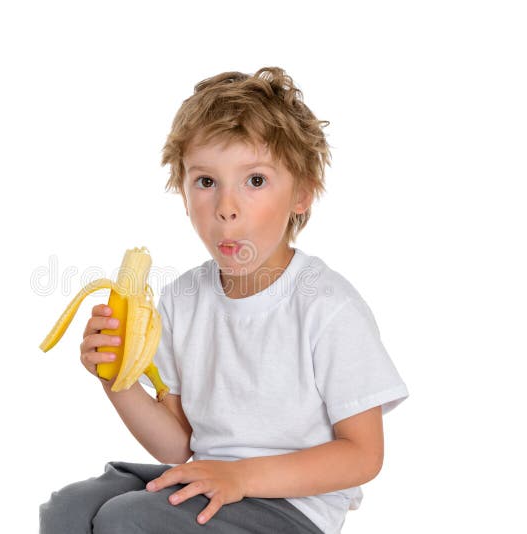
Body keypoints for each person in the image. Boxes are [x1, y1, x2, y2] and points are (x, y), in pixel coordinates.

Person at [39, 66, 409, 534]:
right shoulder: (183, 299)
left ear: (303, 195)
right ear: (184, 192)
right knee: (67, 509)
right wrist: (117, 380)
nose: (226, 207)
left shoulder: (327, 305)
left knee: (128, 520)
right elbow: (176, 445)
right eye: (206, 182)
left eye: (254, 181)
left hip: (290, 510)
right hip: (209, 481)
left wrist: (240, 476)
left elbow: (363, 455)